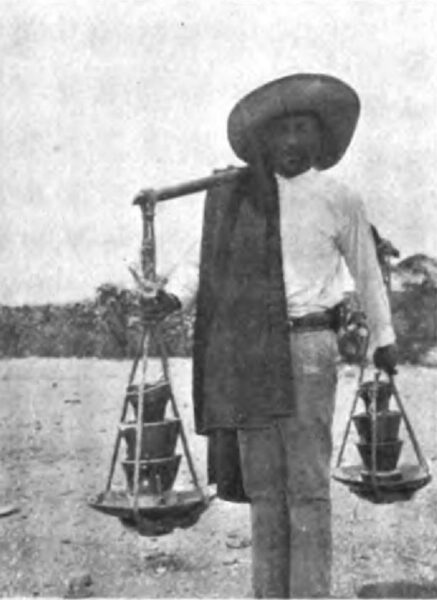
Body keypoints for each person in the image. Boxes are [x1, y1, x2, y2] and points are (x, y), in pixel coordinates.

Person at [141, 73, 398, 598]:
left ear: (319, 138)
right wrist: (167, 298)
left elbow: (367, 271)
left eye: (303, 128)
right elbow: (199, 265)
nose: (291, 141)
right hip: (251, 353)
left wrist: (383, 335)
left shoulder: (338, 197)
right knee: (264, 489)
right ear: (266, 140)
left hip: (309, 349)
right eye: (281, 131)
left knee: (306, 486)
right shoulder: (238, 197)